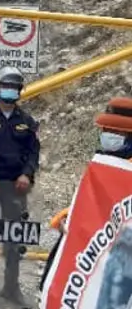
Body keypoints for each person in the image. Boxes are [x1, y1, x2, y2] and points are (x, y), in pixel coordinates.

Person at [40, 96, 132, 292]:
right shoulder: (102, 160)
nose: (109, 135)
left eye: (116, 132)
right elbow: (91, 199)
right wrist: (68, 217)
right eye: (106, 130)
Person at [0, 65, 40, 308]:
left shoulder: (27, 121)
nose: (11, 91)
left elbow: (33, 153)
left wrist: (26, 174)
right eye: (6, 86)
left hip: (16, 187)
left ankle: (11, 288)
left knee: (14, 237)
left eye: (15, 87)